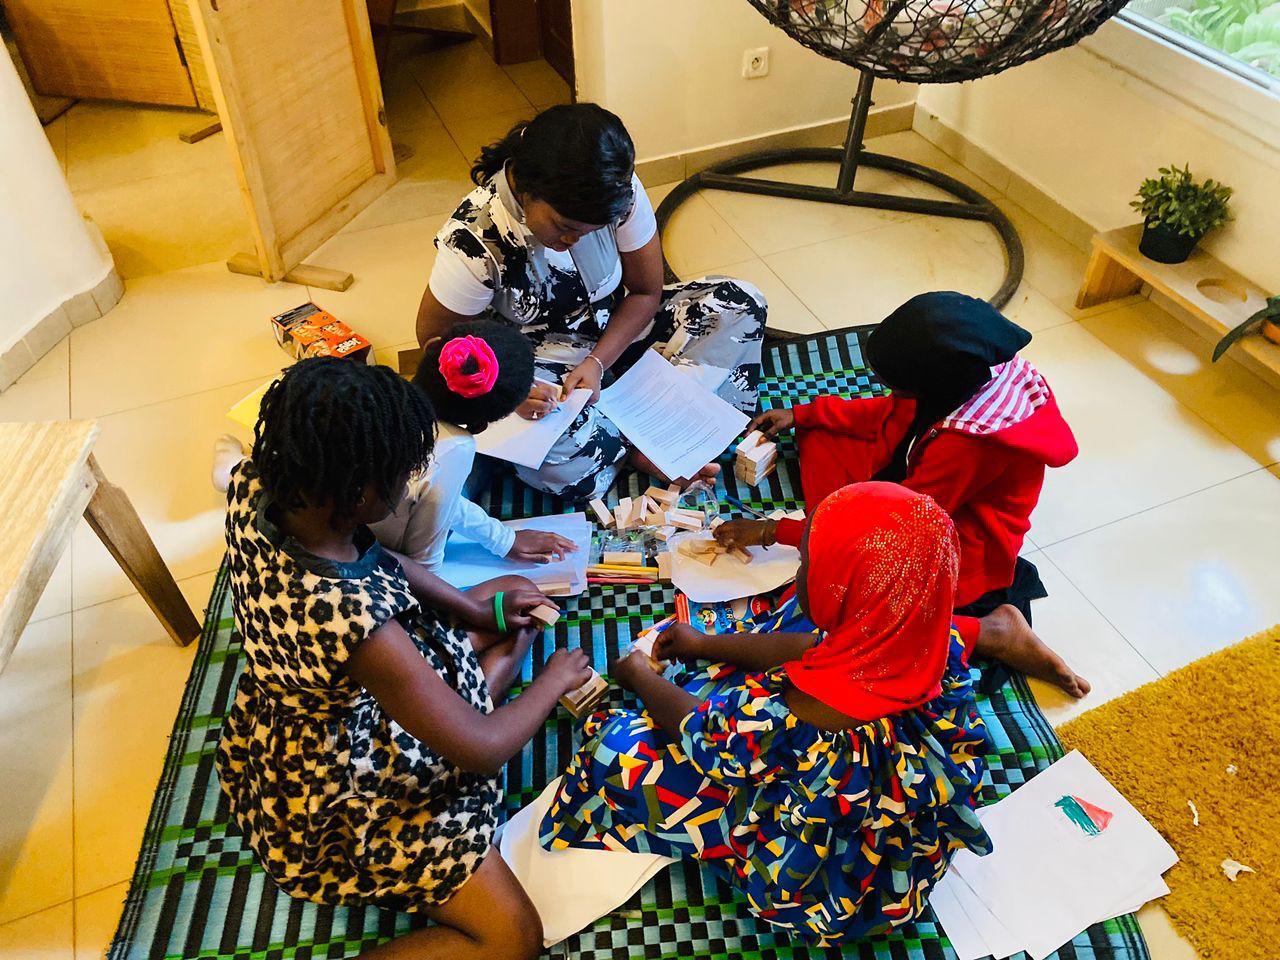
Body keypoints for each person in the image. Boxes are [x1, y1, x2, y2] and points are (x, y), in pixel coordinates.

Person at [216, 357, 594, 960]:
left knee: (500, 615)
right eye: (402, 475)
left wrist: (472, 608)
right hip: (341, 777)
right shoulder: (353, 621)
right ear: (361, 490)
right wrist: (552, 682)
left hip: (307, 699)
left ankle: (479, 654)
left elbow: (382, 559)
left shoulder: (261, 484)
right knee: (511, 937)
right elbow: (481, 746)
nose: (410, 485)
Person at [540, 483, 995, 946]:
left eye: (806, 563)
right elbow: (812, 645)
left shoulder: (793, 716)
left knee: (614, 746)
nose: (800, 571)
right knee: (799, 619)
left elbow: (706, 738)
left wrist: (639, 676)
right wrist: (705, 643)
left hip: (819, 882)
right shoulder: (935, 643)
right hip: (897, 846)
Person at [715, 291, 1088, 698]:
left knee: (850, 619)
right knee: (822, 436)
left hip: (958, 541)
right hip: (924, 492)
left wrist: (775, 531)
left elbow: (896, 531)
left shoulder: (970, 446)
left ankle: (992, 632)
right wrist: (806, 414)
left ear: (930, 385)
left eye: (900, 385)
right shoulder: (963, 373)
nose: (889, 389)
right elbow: (891, 411)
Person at [415, 102, 768, 501]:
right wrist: (512, 391)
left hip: (619, 332)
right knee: (562, 456)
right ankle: (654, 439)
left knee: (739, 304)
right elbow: (434, 346)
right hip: (537, 369)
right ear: (528, 188)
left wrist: (597, 362)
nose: (573, 242)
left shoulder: (616, 194)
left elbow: (646, 292)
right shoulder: (475, 239)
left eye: (591, 231)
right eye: (565, 228)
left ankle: (641, 431)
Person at [370, 319, 578, 568]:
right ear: (480, 427)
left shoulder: (378, 385)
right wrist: (476, 604)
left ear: (431, 347)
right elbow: (423, 568)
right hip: (381, 556)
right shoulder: (452, 449)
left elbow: (436, 495)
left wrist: (503, 540)